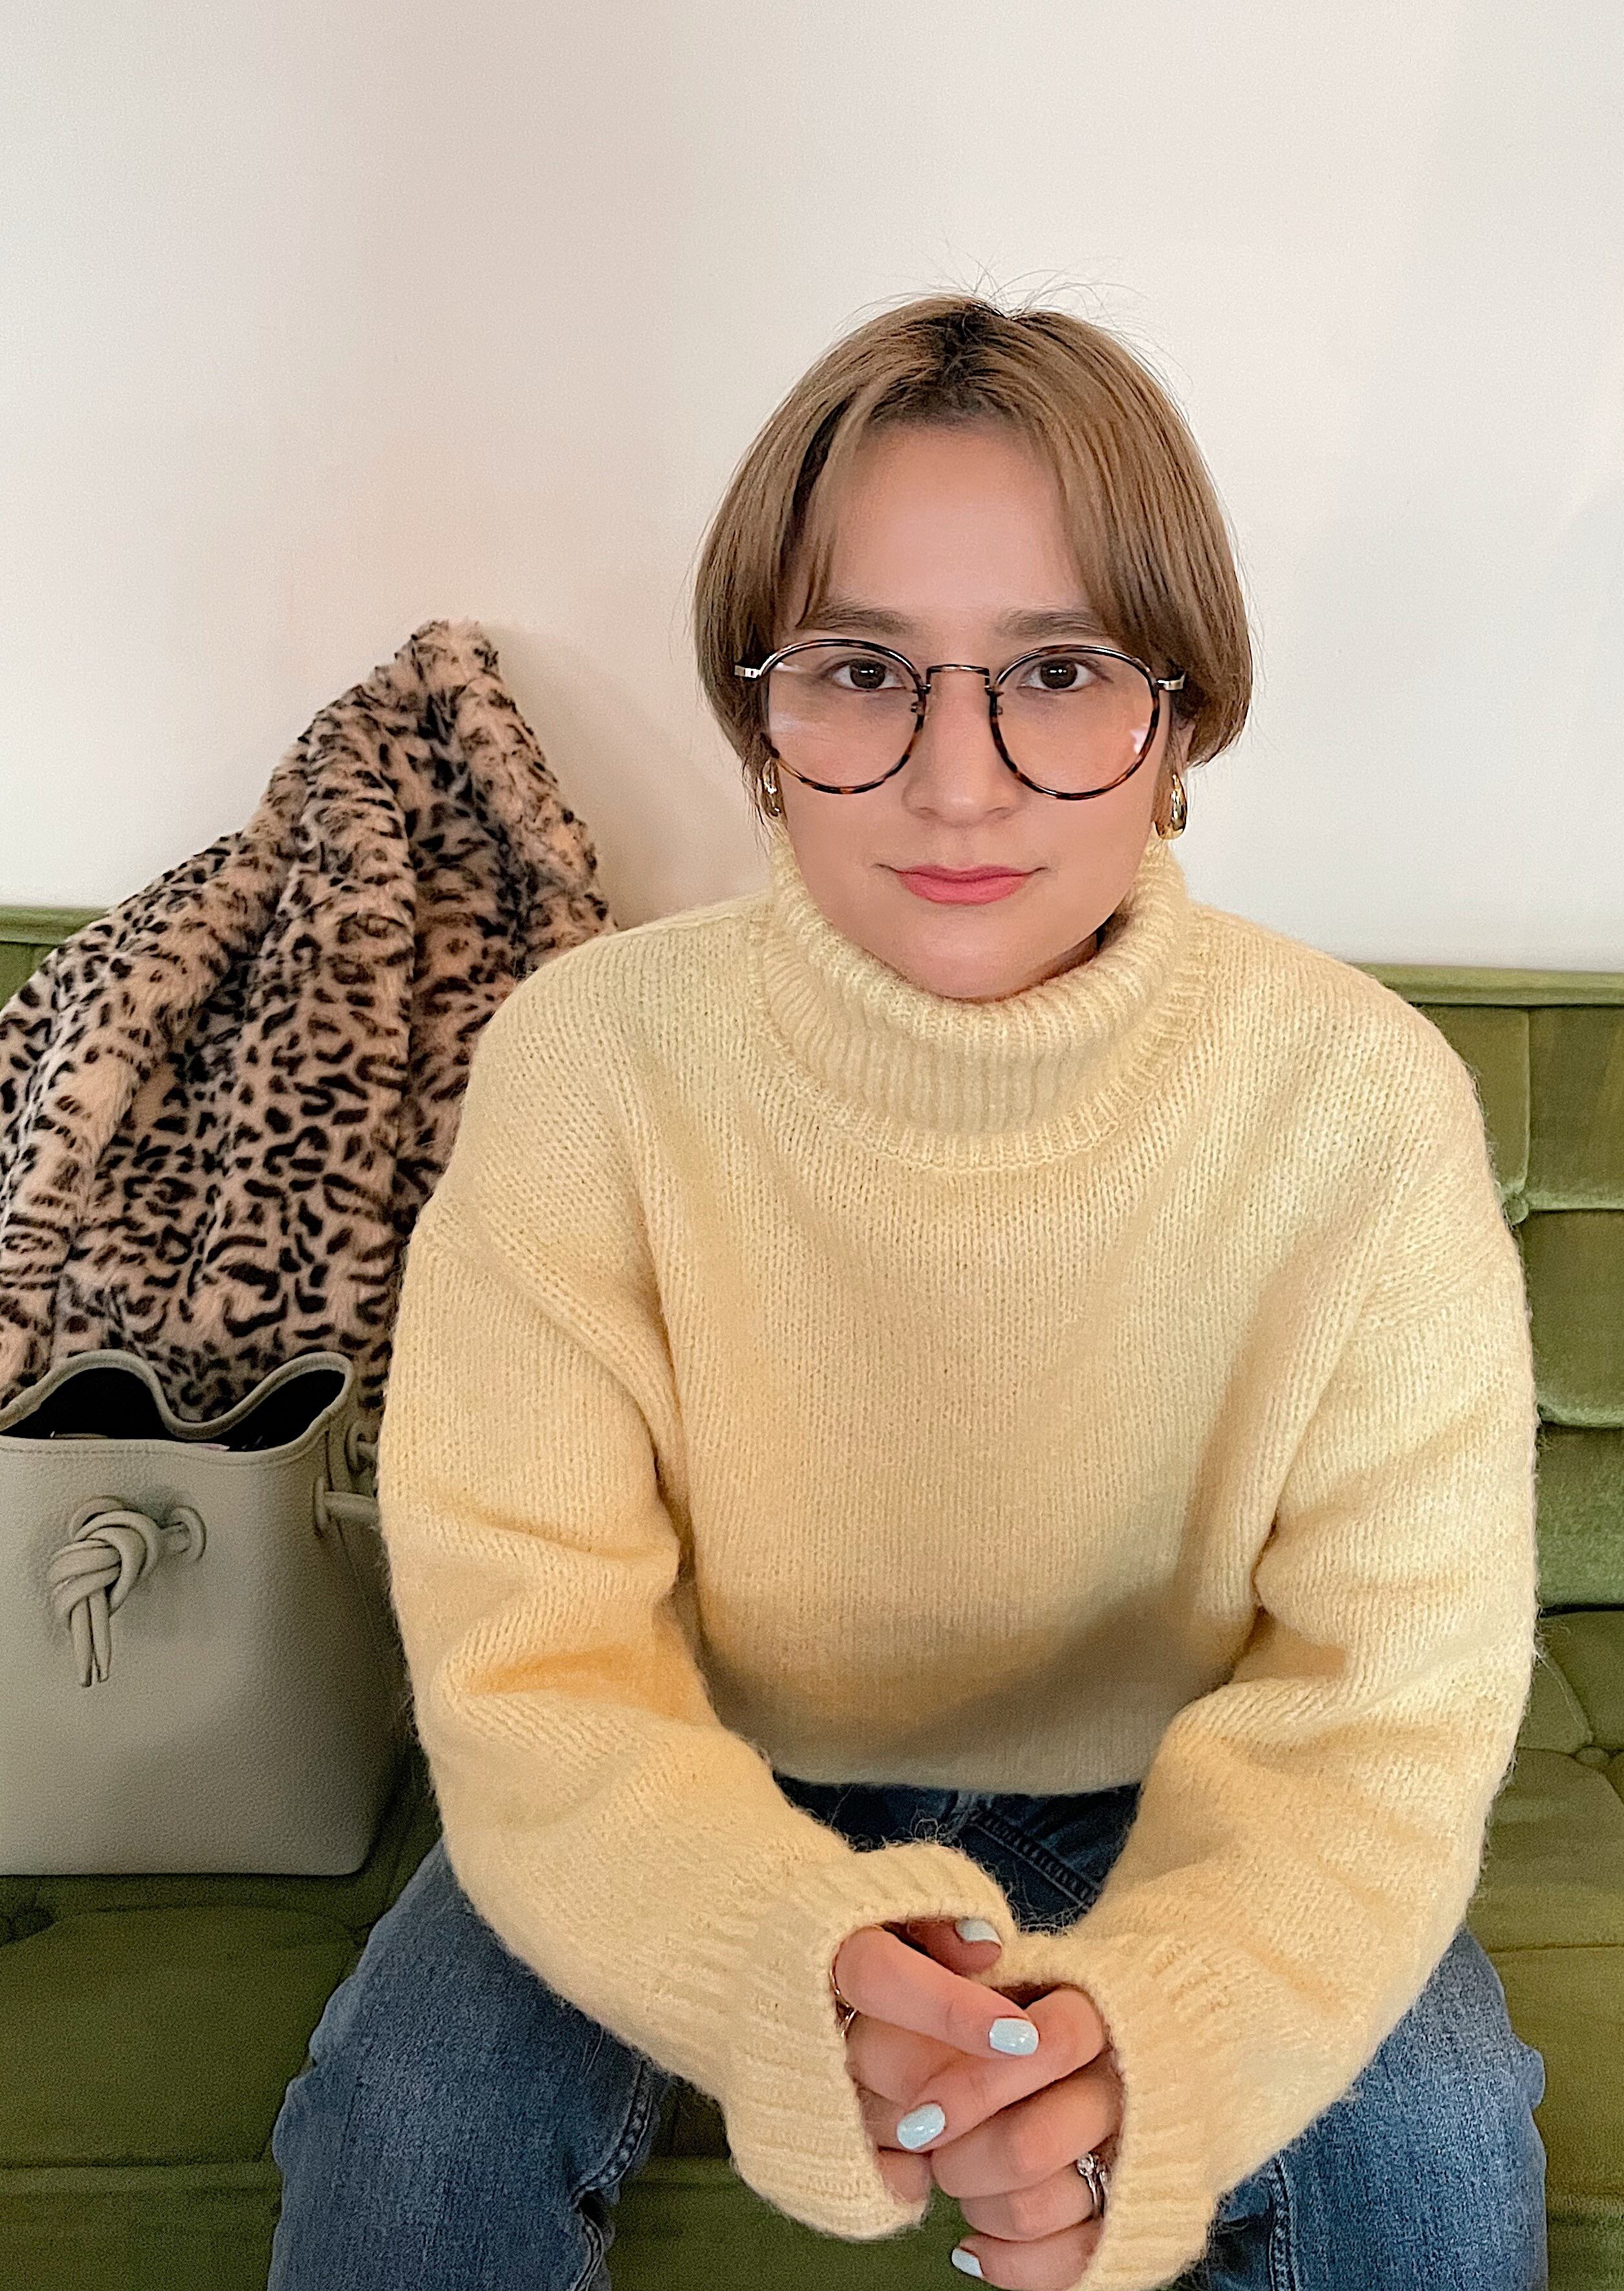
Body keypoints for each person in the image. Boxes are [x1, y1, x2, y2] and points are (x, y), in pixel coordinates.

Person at [266, 294, 1548, 2291]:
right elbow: (533, 1655)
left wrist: (1167, 2022)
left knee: (1444, 2125)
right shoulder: (588, 1068)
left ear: (1181, 721)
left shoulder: (1360, 1102)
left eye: (1060, 672)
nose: (961, 781)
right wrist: (775, 1954)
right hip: (697, 1761)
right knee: (408, 2108)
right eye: (864, 671)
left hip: (1172, 1780)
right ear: (762, 720)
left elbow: (1387, 1702)